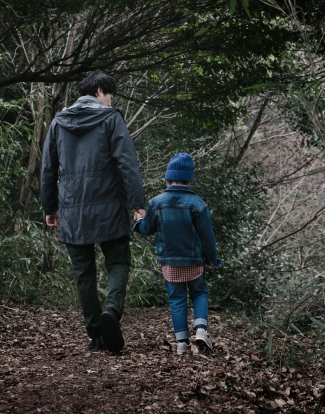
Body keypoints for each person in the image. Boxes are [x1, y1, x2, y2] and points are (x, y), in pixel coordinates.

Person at [40, 72, 146, 353]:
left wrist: (50, 207)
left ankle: (96, 335)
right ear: (100, 90)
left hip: (73, 210)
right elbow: (127, 164)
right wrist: (138, 204)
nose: (111, 101)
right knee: (118, 262)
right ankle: (111, 310)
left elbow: (48, 168)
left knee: (83, 272)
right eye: (110, 95)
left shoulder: (58, 122)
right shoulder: (110, 119)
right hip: (110, 206)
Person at [134, 153, 222, 355]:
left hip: (170, 261)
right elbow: (208, 237)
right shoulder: (198, 204)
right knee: (199, 292)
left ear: (167, 178)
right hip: (194, 260)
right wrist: (212, 260)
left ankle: (182, 342)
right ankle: (200, 329)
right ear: (190, 179)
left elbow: (147, 229)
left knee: (177, 298)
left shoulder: (157, 202)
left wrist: (138, 222)